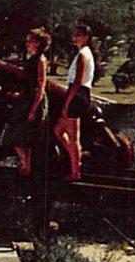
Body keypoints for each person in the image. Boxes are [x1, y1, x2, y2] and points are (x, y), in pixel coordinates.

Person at [6, 28, 51, 177]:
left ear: (38, 43)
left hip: (33, 101)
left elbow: (41, 85)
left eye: (30, 41)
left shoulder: (40, 60)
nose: (27, 44)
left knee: (23, 136)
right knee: (22, 136)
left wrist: (34, 109)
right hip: (27, 99)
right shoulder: (32, 59)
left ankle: (26, 165)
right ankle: (26, 165)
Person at [53, 24, 95, 181]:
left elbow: (77, 82)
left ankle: (75, 171)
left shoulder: (83, 55)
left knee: (72, 137)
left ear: (86, 37)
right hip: (80, 94)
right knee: (58, 130)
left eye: (78, 35)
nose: (75, 37)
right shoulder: (84, 54)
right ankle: (75, 156)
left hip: (77, 95)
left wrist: (67, 102)